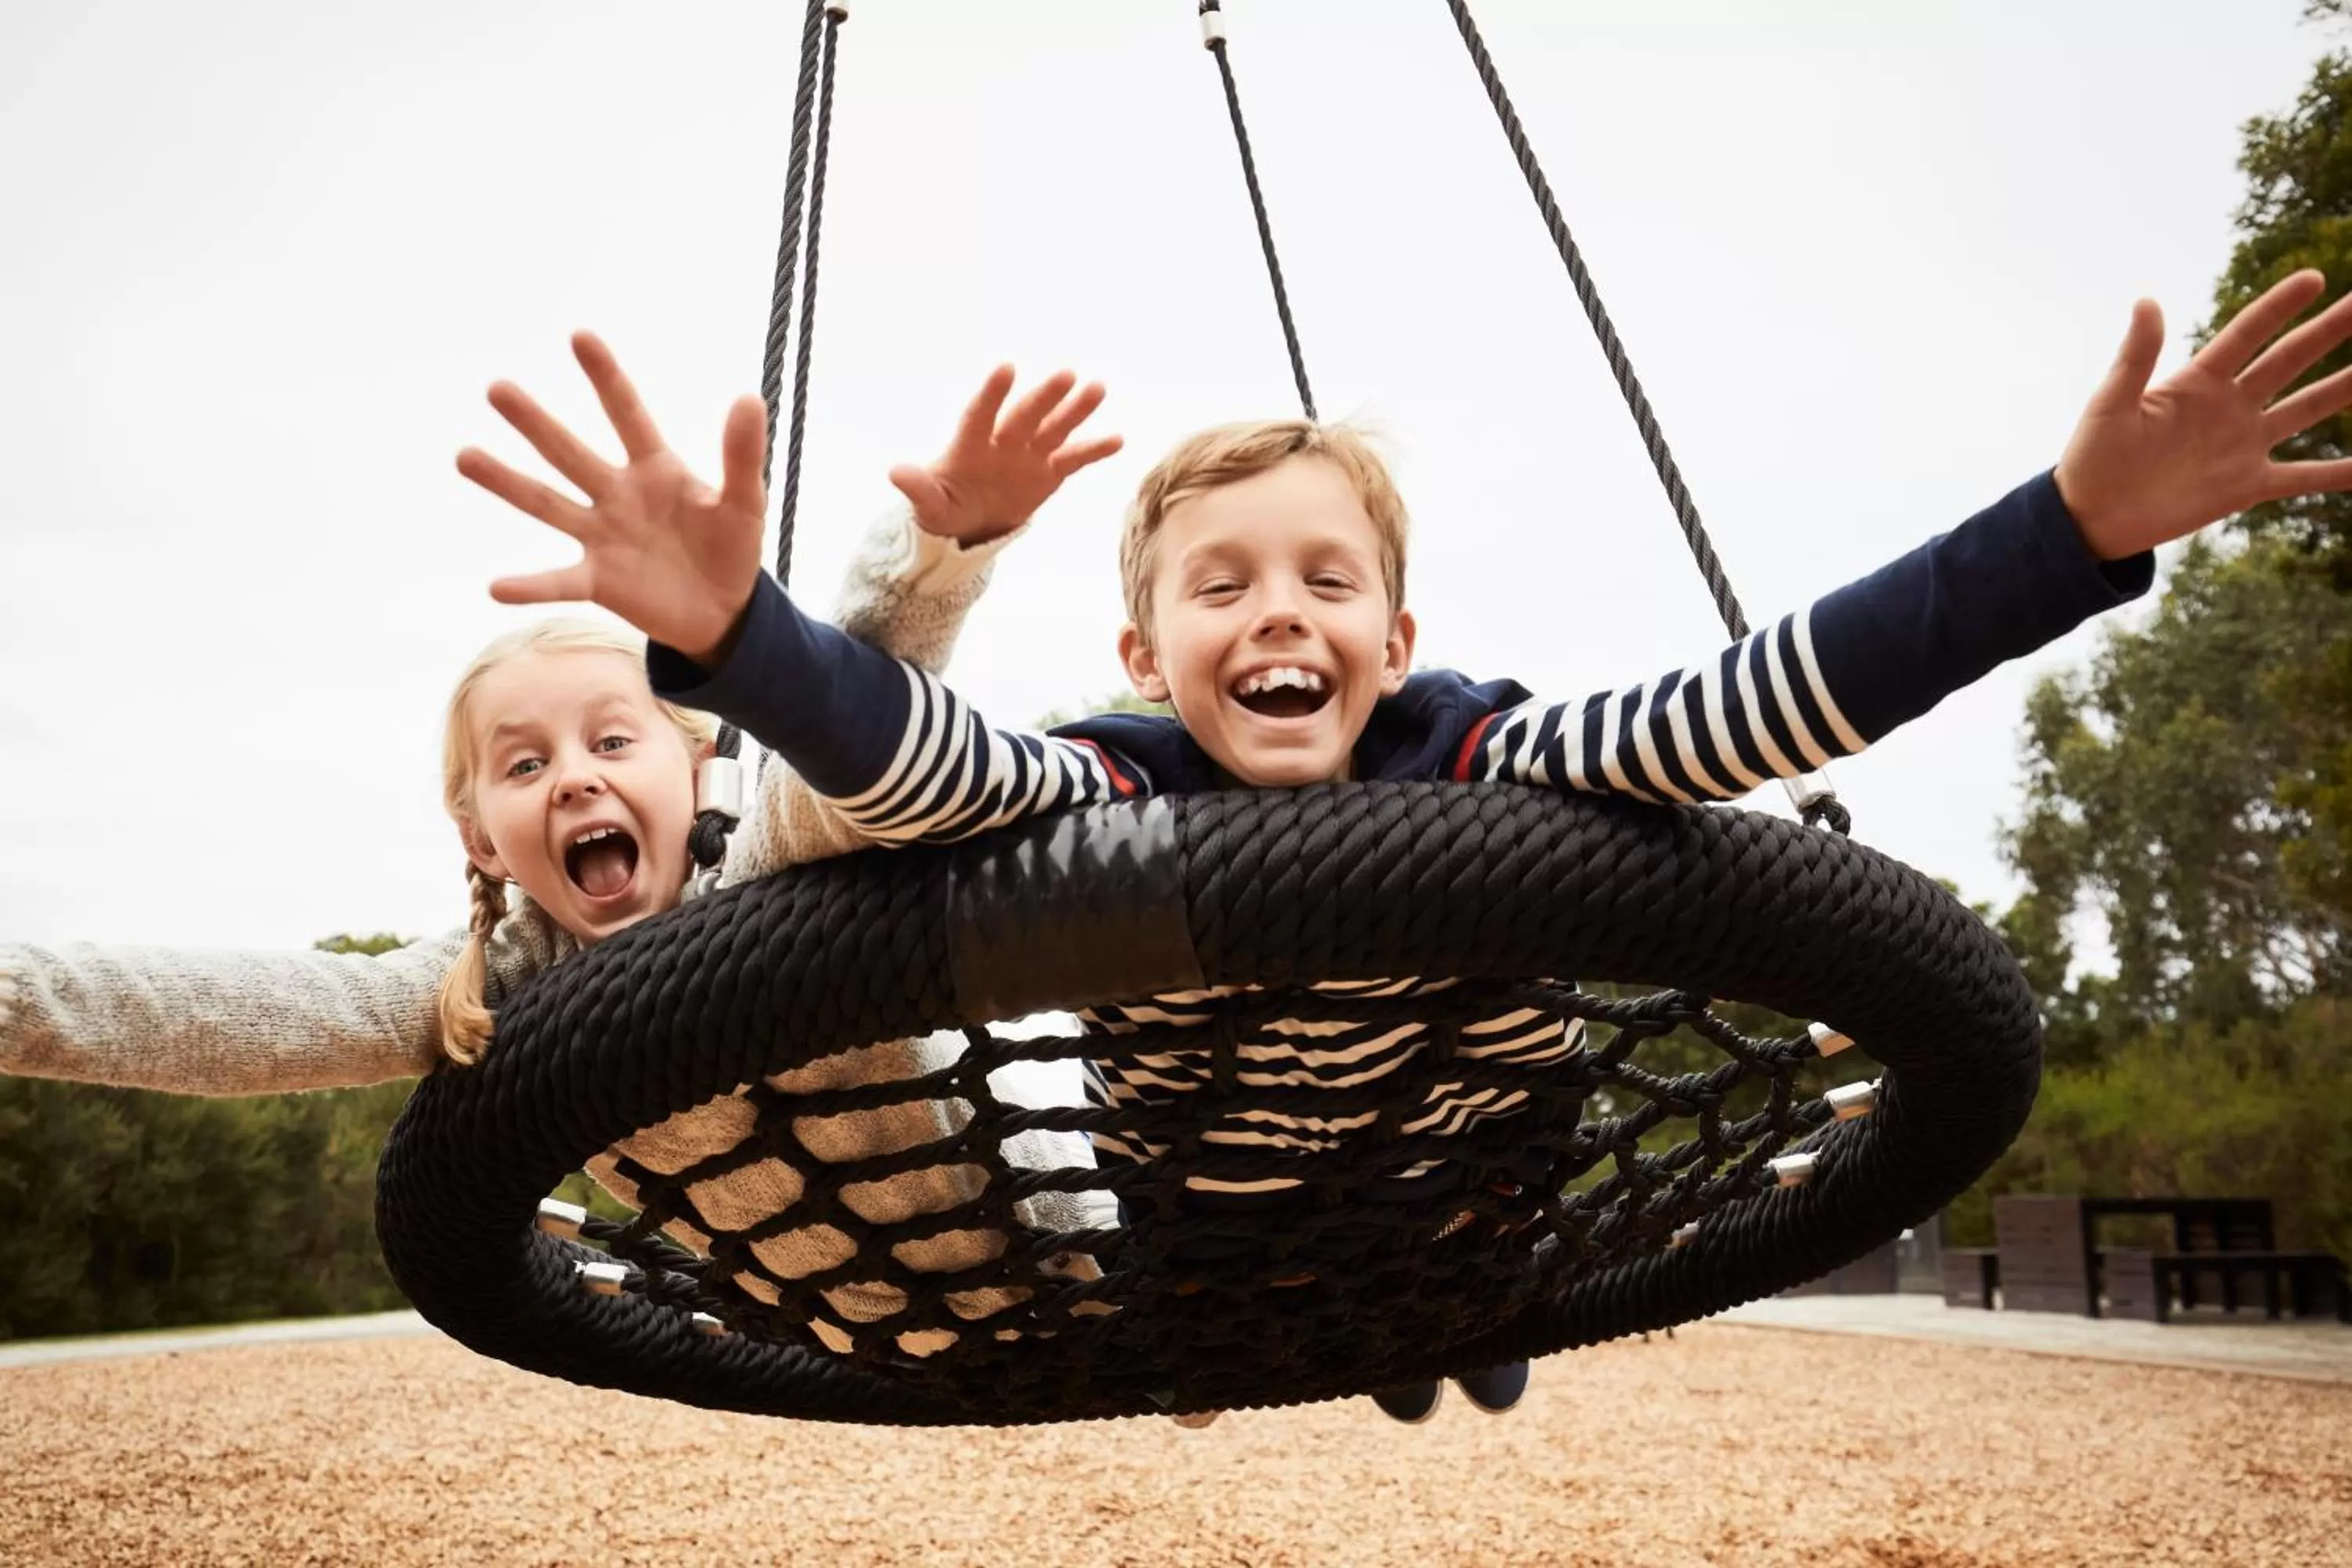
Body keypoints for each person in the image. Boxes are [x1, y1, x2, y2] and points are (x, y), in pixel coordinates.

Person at [474, 271, 2352, 1423]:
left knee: (1451, 1321)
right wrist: (736, 642)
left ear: (1389, 632)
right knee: (1208, 1357)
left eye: (1325, 581)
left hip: (1468, 1180)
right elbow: (917, 767)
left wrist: (2068, 533)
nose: (1275, 616)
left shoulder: (1484, 752)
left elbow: (1762, 702)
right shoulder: (1112, 790)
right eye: (1221, 587)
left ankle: (1447, 1313)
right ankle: (1311, 1330)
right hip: (1212, 1210)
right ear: (1146, 653)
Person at [0, 334, 1127, 1357]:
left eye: (611, 739)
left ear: (695, 769)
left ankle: (1163, 1301)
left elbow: (862, 734)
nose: (576, 774)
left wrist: (935, 555)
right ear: (481, 838)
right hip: (854, 1314)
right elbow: (243, 1017)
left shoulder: (771, 850)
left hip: (1052, 1237)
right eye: (526, 765)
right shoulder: (503, 985)